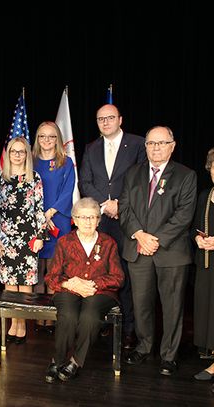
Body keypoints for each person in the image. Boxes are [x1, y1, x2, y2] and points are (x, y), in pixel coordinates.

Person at [119, 126, 197, 376]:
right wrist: (139, 235)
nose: (155, 148)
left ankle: (169, 355)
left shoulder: (186, 175)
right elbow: (125, 207)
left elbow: (184, 215)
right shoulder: (132, 173)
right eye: (151, 143)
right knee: (141, 304)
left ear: (172, 146)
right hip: (138, 248)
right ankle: (144, 347)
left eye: (161, 143)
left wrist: (156, 240)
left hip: (171, 252)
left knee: (172, 305)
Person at [79, 104, 146, 349]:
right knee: (100, 272)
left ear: (120, 119)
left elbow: (141, 179)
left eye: (110, 118)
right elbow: (85, 181)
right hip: (100, 221)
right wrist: (105, 204)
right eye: (100, 119)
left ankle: (129, 327)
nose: (105, 122)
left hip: (127, 219)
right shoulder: (91, 148)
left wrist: (120, 204)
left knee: (125, 274)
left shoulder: (138, 144)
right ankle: (103, 323)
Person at [44, 197, 124, 382]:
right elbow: (51, 277)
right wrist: (69, 283)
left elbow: (118, 277)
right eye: (83, 217)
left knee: (90, 316)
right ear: (75, 219)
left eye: (92, 217)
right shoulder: (65, 242)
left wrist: (93, 285)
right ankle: (58, 359)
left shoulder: (108, 243)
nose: (88, 221)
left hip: (100, 293)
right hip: (68, 289)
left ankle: (76, 361)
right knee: (69, 316)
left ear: (99, 220)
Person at [0, 137, 46, 343]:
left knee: (25, 283)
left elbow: (39, 208)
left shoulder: (35, 178)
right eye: (13, 151)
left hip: (29, 238)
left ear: (27, 154)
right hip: (6, 238)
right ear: (8, 154)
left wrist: (40, 236)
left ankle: (21, 324)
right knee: (9, 283)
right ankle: (11, 324)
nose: (17, 155)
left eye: (21, 151)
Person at [32, 121, 75, 333]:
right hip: (35, 220)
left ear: (58, 139)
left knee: (56, 270)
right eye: (42, 136)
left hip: (58, 220)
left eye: (51, 136)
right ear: (37, 139)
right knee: (38, 270)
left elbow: (68, 191)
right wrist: (39, 214)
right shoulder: (30, 161)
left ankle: (53, 317)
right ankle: (40, 319)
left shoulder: (65, 162)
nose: (46, 140)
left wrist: (51, 212)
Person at [191, 144, 214, 394]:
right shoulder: (206, 195)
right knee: (211, 313)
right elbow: (195, 226)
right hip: (206, 264)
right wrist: (199, 239)